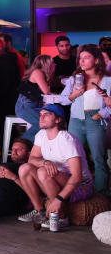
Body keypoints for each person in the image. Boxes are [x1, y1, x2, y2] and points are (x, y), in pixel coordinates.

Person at [16, 105, 95, 229]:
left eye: (46, 114)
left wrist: (58, 199)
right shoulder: (41, 135)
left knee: (43, 172)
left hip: (82, 185)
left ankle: (61, 217)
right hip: (56, 178)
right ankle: (40, 211)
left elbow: (77, 176)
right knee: (24, 168)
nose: (41, 117)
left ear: (58, 120)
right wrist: (45, 162)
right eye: (40, 114)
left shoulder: (67, 140)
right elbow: (32, 159)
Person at [57, 45, 111, 197]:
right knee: (74, 158)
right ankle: (77, 192)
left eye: (86, 57)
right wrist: (74, 95)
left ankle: (101, 194)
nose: (82, 61)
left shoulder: (107, 81)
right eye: (80, 58)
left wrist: (102, 114)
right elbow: (63, 100)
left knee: (99, 158)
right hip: (76, 120)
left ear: (96, 60)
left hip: (95, 120)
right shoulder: (74, 79)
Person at [0, 36, 22, 151]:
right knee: (7, 132)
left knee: (3, 131)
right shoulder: (8, 60)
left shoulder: (4, 62)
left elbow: (3, 85)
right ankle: (9, 156)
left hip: (4, 103)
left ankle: (7, 158)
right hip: (9, 101)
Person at [14, 55, 53, 143]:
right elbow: (46, 91)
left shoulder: (39, 73)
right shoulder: (37, 72)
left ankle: (30, 147)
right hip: (25, 107)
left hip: (29, 106)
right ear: (47, 63)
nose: (54, 64)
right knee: (43, 124)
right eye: (52, 63)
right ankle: (22, 144)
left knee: (48, 122)